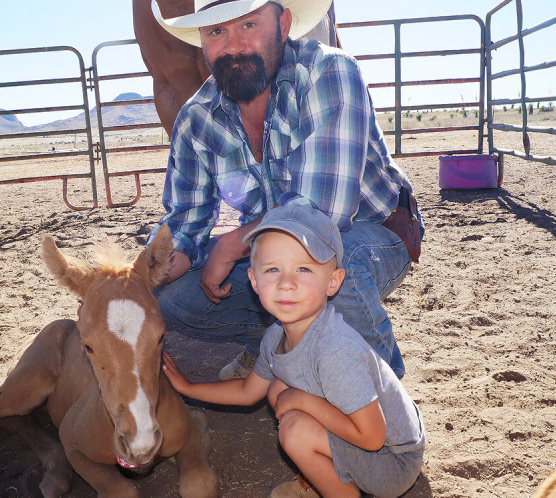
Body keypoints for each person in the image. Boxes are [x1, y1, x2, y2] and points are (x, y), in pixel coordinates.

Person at [149, 0, 423, 380]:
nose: (233, 46)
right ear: (202, 41)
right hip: (268, 247)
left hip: (372, 233)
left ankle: (380, 399)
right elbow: (185, 219)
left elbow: (322, 213)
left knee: (329, 264)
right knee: (169, 298)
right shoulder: (196, 119)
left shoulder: (329, 71)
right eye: (216, 32)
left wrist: (233, 243)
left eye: (248, 25)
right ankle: (271, 342)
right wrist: (147, 270)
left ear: (284, 23)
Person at [161, 204, 425, 498]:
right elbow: (248, 391)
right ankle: (326, 474)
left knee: (294, 429)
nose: (286, 283)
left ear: (334, 281)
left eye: (304, 269)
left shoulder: (335, 350)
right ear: (254, 281)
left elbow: (372, 437)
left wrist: (302, 400)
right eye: (272, 269)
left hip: (391, 461)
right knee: (277, 388)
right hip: (368, 445)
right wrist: (187, 386)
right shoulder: (276, 336)